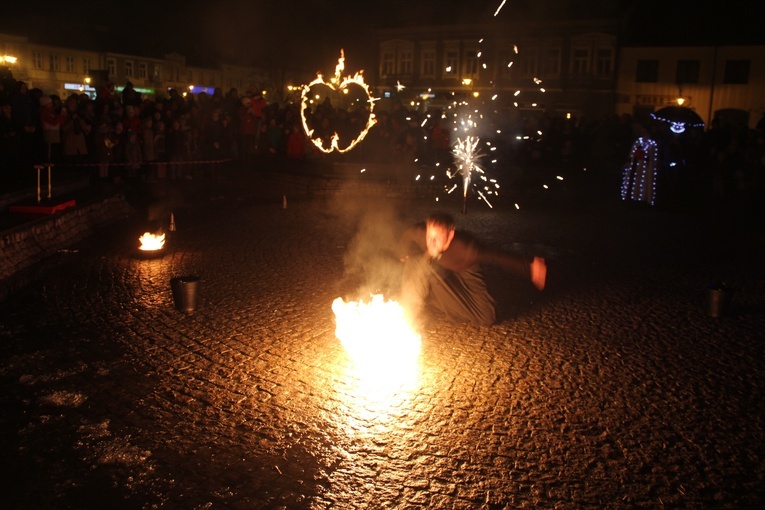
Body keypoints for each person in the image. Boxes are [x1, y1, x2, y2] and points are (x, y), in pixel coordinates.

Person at [397, 212, 547, 327]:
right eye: (430, 236)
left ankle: (433, 298)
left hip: (465, 272)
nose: (432, 242)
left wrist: (530, 267)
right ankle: (409, 315)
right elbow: (409, 232)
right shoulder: (420, 233)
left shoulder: (466, 249)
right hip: (438, 270)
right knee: (416, 264)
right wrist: (402, 253)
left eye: (439, 237)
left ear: (450, 235)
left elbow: (496, 256)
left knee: (486, 318)